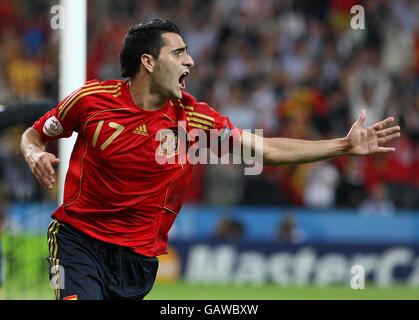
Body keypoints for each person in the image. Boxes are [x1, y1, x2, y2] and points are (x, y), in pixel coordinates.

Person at [20, 19, 400, 300]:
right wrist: (35, 152)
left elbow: (264, 150)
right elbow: (34, 132)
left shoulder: (193, 119)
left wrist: (342, 146)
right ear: (149, 62)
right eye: (179, 52)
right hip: (79, 240)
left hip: (138, 259)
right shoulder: (91, 100)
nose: (191, 61)